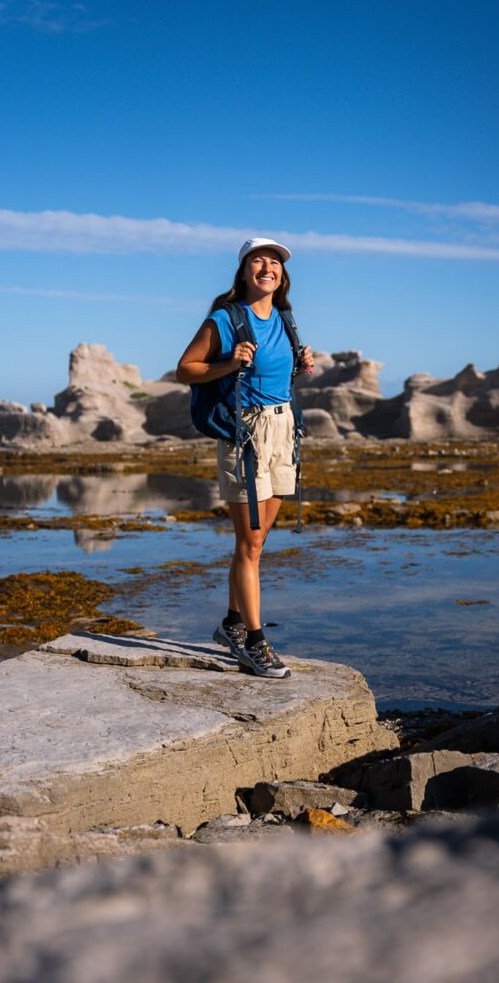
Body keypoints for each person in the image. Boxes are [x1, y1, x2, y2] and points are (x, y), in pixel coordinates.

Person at [176, 238, 314, 680]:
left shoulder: (286, 320)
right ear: (243, 272)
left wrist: (301, 361)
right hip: (246, 433)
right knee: (249, 544)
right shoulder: (224, 319)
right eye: (259, 260)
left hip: (284, 429)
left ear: (282, 276)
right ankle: (255, 644)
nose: (267, 267)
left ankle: (232, 622)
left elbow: (279, 374)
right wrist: (228, 363)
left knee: (258, 542)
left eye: (274, 262)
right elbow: (185, 369)